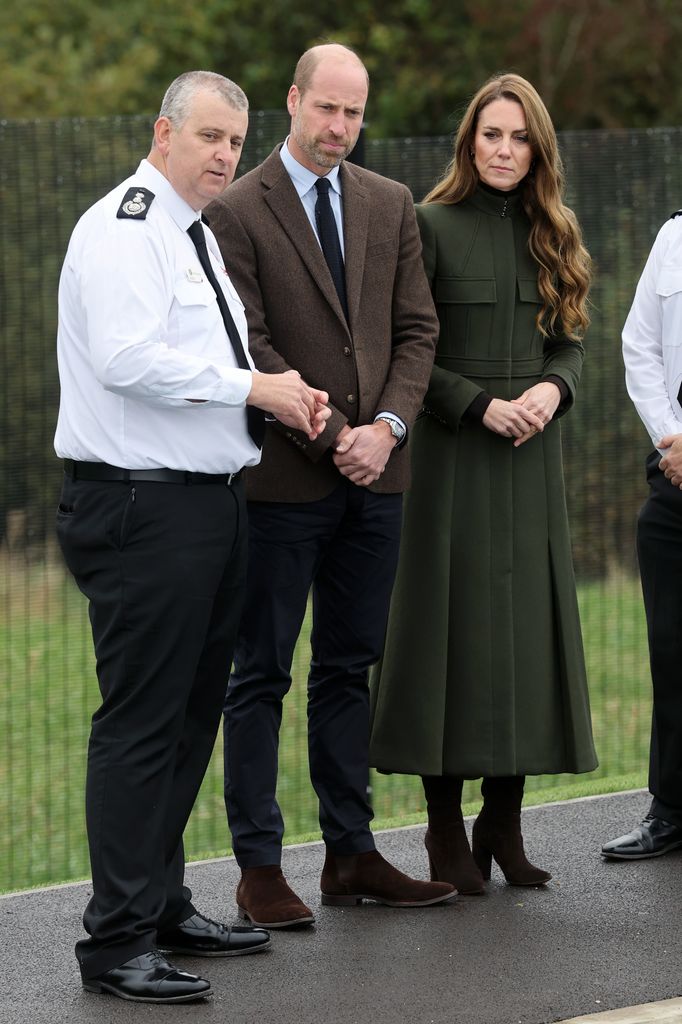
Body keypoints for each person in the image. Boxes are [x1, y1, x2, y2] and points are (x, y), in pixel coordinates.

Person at [55, 70, 330, 1003]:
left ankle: (160, 903)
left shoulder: (191, 232)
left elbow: (209, 360)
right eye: (208, 137)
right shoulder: (126, 227)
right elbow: (127, 360)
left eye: (234, 142)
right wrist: (256, 389)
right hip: (142, 510)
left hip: (207, 504)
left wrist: (281, 390)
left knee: (188, 717)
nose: (224, 156)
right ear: (162, 130)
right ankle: (114, 942)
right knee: (140, 726)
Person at [205, 43, 454, 927]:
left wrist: (384, 432)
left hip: (376, 482)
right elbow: (250, 346)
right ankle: (260, 869)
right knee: (260, 675)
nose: (340, 129)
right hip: (282, 486)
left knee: (349, 671)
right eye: (327, 110)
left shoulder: (391, 205)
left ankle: (351, 855)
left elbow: (418, 333)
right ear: (293, 101)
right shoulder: (237, 210)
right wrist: (336, 434)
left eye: (354, 113)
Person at [368, 73, 598, 895]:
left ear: (539, 150)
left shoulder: (556, 232)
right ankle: (440, 831)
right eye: (490, 135)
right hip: (451, 463)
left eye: (519, 138)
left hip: (531, 464)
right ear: (469, 143)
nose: (504, 150)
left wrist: (551, 390)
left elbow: (570, 344)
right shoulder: (424, 225)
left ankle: (502, 823)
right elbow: (407, 351)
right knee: (448, 638)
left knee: (523, 642)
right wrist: (477, 405)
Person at [601, 209, 682, 861]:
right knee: (673, 650)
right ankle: (673, 807)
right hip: (676, 477)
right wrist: (669, 440)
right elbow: (640, 345)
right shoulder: (673, 235)